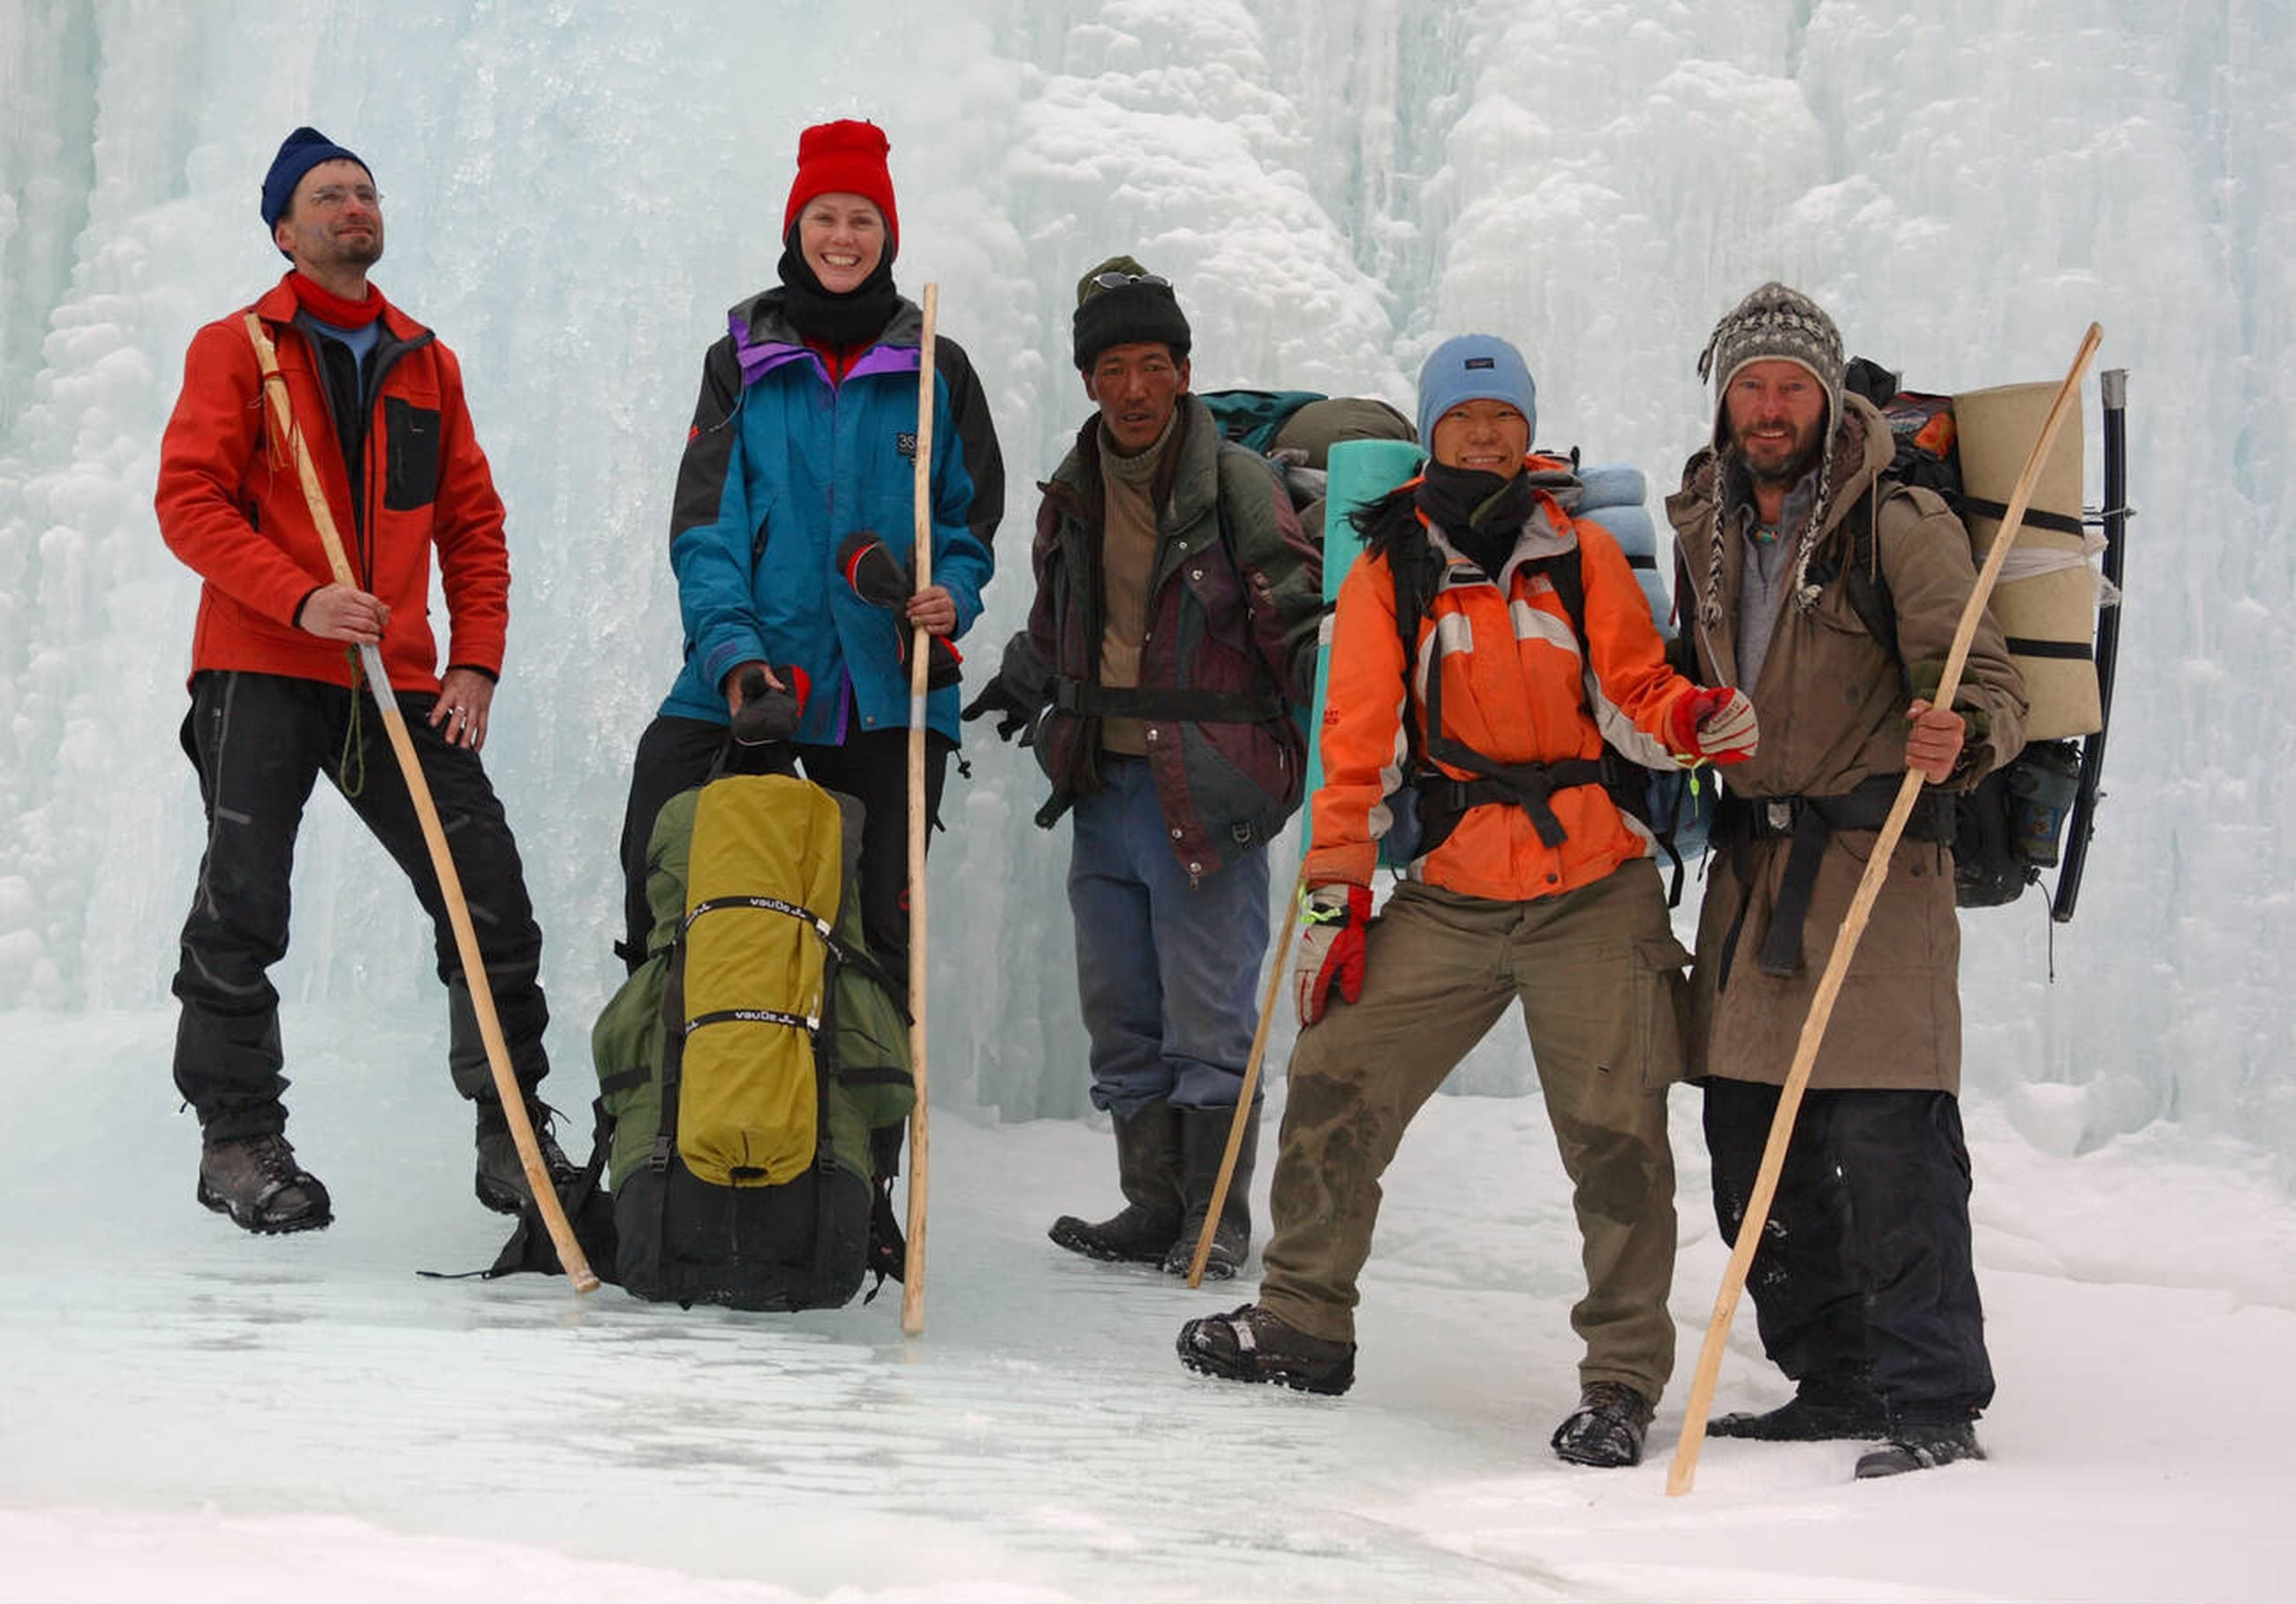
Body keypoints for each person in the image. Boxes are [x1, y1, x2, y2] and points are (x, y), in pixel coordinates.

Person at [1176, 335, 1761, 1467]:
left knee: (1616, 1135)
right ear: (1433, 431)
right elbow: (1353, 750)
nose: (1484, 435)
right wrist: (1333, 903)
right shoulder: (1388, 569)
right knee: (1339, 1067)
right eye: (1463, 418)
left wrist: (1693, 723)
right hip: (1450, 890)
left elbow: (1635, 692)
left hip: (1594, 886)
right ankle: (1302, 1321)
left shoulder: (1582, 554)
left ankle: (1619, 1381)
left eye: (1502, 418)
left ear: (1525, 431)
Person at [155, 126, 570, 1235]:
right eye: (328, 196)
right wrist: (297, 597)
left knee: (485, 888)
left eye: (365, 192)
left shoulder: (426, 361)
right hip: (260, 665)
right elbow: (188, 504)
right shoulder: (237, 349)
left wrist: (476, 657)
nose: (353, 207)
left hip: (396, 678)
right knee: (242, 901)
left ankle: (511, 1131)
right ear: (285, 232)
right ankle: (238, 1142)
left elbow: (473, 528)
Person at [1663, 283, 2028, 1479]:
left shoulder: (1899, 522)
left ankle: (1933, 1400)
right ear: (1725, 401)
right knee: (1748, 1135)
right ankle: (1834, 1379)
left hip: (1878, 866)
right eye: (1751, 387)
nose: (1770, 408)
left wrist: (1959, 732)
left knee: (1889, 1139)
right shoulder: (1704, 519)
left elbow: (1985, 679)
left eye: (1791, 387)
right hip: (1756, 868)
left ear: (1828, 400)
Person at [962, 258, 1321, 1278]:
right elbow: (1063, 619)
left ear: (1183, 370)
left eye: (1151, 365)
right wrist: (1021, 680)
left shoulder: (1235, 485)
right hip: (1103, 785)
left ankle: (1216, 1221)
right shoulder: (1071, 491)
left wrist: (1342, 735)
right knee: (1120, 1008)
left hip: (1207, 790)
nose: (1131, 387)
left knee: (1206, 1013)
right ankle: (1151, 1205)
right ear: (1087, 379)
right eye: (1111, 366)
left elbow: (1293, 616)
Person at [616, 119, 1001, 1004]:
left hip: (885, 685)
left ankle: (858, 1141)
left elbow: (967, 519)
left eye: (862, 219)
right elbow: (707, 529)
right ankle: (668, 1105)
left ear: (887, 236)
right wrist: (735, 662)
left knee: (875, 932)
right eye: (824, 215)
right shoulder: (739, 363)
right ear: (794, 228)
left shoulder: (937, 368)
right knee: (662, 864)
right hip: (754, 673)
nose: (842, 236)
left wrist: (953, 592)